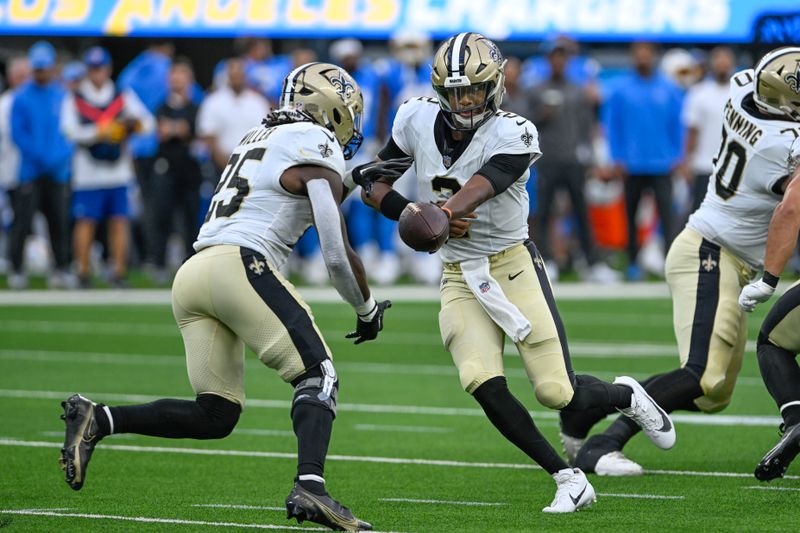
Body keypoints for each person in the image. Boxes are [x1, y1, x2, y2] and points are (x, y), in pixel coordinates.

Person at [59, 63, 387, 532]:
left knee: (217, 412)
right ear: (329, 108)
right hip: (243, 266)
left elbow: (288, 190)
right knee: (320, 374)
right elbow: (335, 248)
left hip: (195, 273)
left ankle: (100, 419)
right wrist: (366, 308)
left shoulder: (259, 135)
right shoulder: (318, 143)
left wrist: (351, 179)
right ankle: (311, 487)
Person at [357, 32, 675, 513]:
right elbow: (375, 184)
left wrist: (440, 216)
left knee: (555, 391)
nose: (464, 101)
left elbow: (485, 184)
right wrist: (411, 210)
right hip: (459, 272)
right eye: (455, 93)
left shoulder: (516, 131)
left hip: (511, 264)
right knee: (480, 378)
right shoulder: (414, 115)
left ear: (495, 85)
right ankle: (567, 478)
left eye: (473, 90)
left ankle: (625, 394)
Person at [562, 47, 800, 476]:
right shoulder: (780, 145)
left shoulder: (743, 85)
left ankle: (586, 410)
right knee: (701, 374)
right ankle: (600, 444)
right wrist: (771, 277)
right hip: (710, 252)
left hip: (720, 250)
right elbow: (791, 208)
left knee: (715, 394)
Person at [61, 46, 155, 287]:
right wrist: (100, 132)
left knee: (119, 221)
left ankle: (118, 272)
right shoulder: (76, 97)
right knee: (86, 222)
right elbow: (70, 131)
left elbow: (148, 123)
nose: (97, 74)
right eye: (92, 69)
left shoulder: (121, 95)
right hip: (88, 172)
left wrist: (128, 127)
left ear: (108, 69)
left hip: (118, 170)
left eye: (100, 69)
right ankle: (82, 272)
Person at [529, 41, 619, 283]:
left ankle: (591, 263)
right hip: (547, 159)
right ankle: (545, 261)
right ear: (549, 60)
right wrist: (542, 116)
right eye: (554, 57)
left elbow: (586, 127)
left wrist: (589, 157)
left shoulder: (577, 90)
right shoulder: (536, 90)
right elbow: (527, 124)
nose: (558, 61)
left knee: (581, 212)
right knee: (545, 214)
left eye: (562, 57)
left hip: (572, 160)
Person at [604, 42, 684, 280]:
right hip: (631, 165)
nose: (643, 58)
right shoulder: (620, 89)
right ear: (632, 57)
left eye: (647, 54)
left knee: (668, 218)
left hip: (662, 164)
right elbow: (612, 126)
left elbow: (678, 126)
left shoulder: (669, 89)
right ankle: (632, 264)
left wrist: (677, 157)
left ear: (654, 57)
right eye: (638, 54)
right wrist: (617, 157)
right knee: (631, 217)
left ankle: (671, 264)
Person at [9, 41, 74, 289]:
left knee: (58, 221)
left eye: (44, 68)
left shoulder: (62, 95)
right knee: (23, 221)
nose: (40, 72)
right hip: (31, 171)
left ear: (52, 67)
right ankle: (17, 268)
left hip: (57, 171)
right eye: (37, 68)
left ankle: (61, 268)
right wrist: (40, 157)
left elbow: (69, 132)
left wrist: (57, 157)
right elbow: (18, 133)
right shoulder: (22, 96)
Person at [150, 58, 202, 283]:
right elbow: (164, 132)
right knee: (162, 215)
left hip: (189, 170)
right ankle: (159, 263)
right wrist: (177, 129)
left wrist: (177, 129)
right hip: (167, 168)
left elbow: (190, 130)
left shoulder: (195, 107)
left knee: (191, 218)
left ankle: (191, 264)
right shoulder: (162, 106)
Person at [680, 47, 737, 213]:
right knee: (700, 215)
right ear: (712, 64)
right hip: (704, 165)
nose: (722, 64)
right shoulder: (698, 93)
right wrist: (687, 161)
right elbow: (692, 131)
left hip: (734, 168)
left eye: (726, 60)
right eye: (719, 60)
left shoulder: (741, 93)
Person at [198, 57, 269, 176]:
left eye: (239, 73)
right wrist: (229, 167)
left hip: (252, 166)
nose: (236, 77)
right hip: (219, 167)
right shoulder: (213, 101)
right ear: (227, 75)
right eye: (233, 73)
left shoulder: (258, 102)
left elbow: (266, 136)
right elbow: (208, 137)